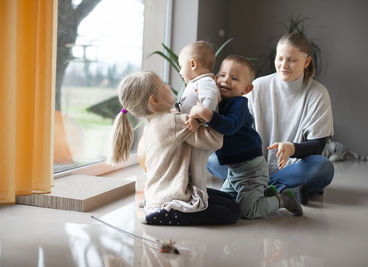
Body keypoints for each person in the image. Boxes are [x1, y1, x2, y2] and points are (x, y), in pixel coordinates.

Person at [207, 33, 334, 205]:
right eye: (280, 58)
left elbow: (318, 145)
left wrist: (291, 148)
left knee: (323, 167)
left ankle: (259, 187)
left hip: (292, 168)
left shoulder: (318, 94)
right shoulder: (257, 86)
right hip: (251, 165)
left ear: (307, 62)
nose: (283, 65)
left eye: (291, 60)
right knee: (211, 157)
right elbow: (234, 125)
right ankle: (279, 190)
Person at [109, 71, 240, 225]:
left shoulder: (152, 122)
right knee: (232, 211)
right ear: (154, 100)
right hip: (171, 198)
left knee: (228, 200)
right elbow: (214, 141)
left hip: (156, 195)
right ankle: (168, 215)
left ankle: (159, 211)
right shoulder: (173, 122)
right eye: (163, 85)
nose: (168, 86)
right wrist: (212, 112)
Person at [189, 55, 303, 218]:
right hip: (234, 170)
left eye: (234, 78)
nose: (226, 80)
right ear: (215, 79)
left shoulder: (239, 104)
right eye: (222, 75)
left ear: (246, 89)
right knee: (228, 202)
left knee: (247, 211)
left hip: (251, 169)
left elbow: (229, 126)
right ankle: (266, 193)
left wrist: (208, 115)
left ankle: (282, 199)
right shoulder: (215, 101)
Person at [176, 41, 220, 210]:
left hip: (202, 135)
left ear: (192, 64)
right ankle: (189, 194)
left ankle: (200, 199)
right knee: (190, 166)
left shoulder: (206, 82)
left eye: (181, 66)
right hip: (193, 134)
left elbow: (209, 101)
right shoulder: (195, 84)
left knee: (197, 167)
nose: (180, 72)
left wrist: (199, 120)